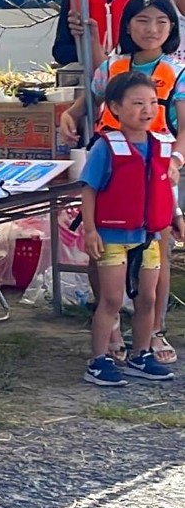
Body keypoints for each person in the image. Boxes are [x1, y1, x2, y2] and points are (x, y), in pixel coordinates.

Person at [81, 68, 180, 387]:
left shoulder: (162, 147)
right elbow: (89, 190)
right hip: (112, 237)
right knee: (111, 299)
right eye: (137, 103)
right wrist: (91, 230)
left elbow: (162, 187)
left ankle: (141, 354)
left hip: (148, 237)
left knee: (148, 299)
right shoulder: (105, 147)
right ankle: (98, 359)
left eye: (152, 102)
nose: (147, 110)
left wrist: (175, 216)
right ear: (115, 107)